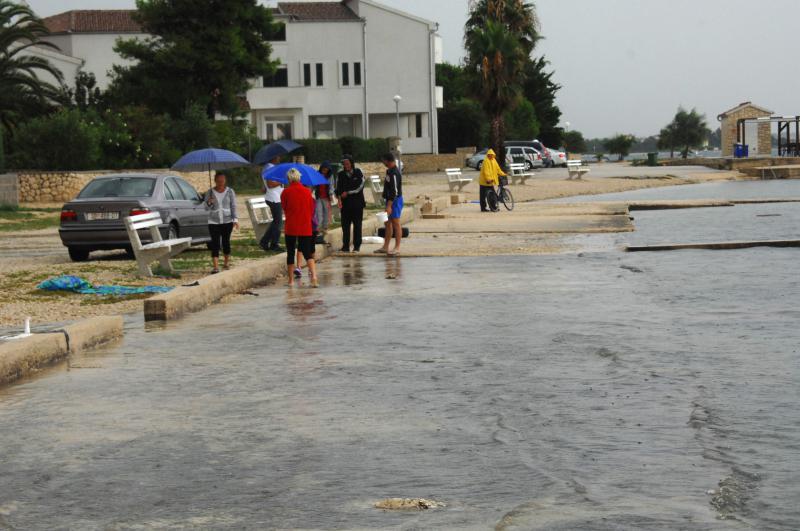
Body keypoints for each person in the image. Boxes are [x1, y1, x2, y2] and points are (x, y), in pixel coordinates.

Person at [281, 168, 319, 288]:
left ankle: (291, 281)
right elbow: (311, 209)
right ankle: (313, 277)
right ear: (299, 178)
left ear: (289, 179)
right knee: (308, 253)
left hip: (291, 226)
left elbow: (284, 208)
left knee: (291, 253)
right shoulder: (307, 192)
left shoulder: (285, 192)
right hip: (305, 226)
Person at [203, 171, 239, 274]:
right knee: (215, 243)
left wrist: (235, 219)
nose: (220, 182)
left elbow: (233, 206)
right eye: (218, 181)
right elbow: (205, 208)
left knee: (226, 242)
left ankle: (226, 262)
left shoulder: (230, 192)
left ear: (225, 180)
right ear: (215, 181)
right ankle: (215, 267)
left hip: (227, 221)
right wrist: (209, 202)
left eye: (222, 180)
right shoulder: (209, 192)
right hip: (213, 222)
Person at [335, 155, 366, 253]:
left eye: (347, 163)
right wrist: (339, 199)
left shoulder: (358, 172)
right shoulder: (340, 175)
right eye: (344, 164)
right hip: (345, 205)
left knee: (357, 225)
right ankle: (345, 246)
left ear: (351, 163)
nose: (346, 165)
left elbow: (360, 186)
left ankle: (356, 246)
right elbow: (337, 188)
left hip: (357, 204)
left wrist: (348, 192)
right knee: (345, 226)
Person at [375, 152, 403, 256]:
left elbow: (394, 191)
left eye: (383, 161)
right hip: (389, 200)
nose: (383, 162)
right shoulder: (389, 171)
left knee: (396, 223)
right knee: (387, 223)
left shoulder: (394, 173)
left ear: (387, 160)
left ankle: (397, 247)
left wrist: (389, 205)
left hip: (395, 200)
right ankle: (385, 247)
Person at [260, 155, 284, 252]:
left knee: (276, 221)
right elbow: (270, 184)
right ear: (274, 157)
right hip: (274, 198)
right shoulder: (270, 167)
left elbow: (265, 186)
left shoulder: (268, 167)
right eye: (278, 156)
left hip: (275, 197)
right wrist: (282, 181)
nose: (279, 158)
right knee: (278, 222)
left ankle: (264, 242)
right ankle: (274, 244)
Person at [315, 161, 335, 234]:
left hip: (326, 197)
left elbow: (332, 186)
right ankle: (317, 229)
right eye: (324, 169)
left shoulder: (330, 176)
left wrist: (331, 194)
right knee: (318, 212)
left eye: (326, 170)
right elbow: (313, 185)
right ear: (321, 168)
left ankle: (325, 227)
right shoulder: (317, 174)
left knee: (326, 213)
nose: (325, 171)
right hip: (318, 197)